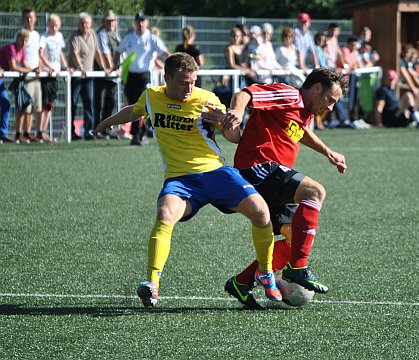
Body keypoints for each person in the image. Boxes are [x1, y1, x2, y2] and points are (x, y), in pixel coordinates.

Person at [95, 52, 281, 308]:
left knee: (261, 211)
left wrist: (226, 123)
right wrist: (107, 123)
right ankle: (152, 283)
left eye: (193, 81)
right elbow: (134, 111)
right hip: (180, 179)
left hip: (216, 173)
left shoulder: (206, 100)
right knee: (165, 213)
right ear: (167, 78)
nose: (189, 87)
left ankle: (265, 271)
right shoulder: (151, 96)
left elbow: (235, 137)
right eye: (183, 82)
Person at [203, 68, 348, 309]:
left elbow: (299, 132)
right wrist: (237, 111)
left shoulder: (304, 111)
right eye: (330, 100)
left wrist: (328, 152)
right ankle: (298, 267)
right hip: (258, 167)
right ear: (316, 89)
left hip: (272, 175)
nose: (330, 108)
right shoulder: (289, 95)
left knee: (296, 237)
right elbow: (245, 93)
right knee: (315, 192)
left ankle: (242, 282)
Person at [114, 13, 171, 145]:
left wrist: (175, 66)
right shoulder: (129, 38)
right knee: (132, 104)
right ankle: (140, 132)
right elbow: (118, 51)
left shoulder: (152, 39)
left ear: (147, 23)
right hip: (130, 76)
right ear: (135, 23)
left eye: (143, 21)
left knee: (138, 104)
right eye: (138, 21)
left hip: (144, 75)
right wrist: (115, 66)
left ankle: (137, 134)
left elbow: (166, 53)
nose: (140, 24)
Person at [68, 12, 109, 141]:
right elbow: (74, 53)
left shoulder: (93, 35)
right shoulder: (74, 36)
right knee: (72, 104)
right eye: (82, 23)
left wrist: (103, 68)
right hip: (77, 76)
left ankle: (89, 131)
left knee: (89, 104)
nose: (85, 25)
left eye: (87, 23)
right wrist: (81, 68)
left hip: (89, 76)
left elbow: (97, 52)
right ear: (78, 24)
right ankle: (71, 132)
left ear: (90, 24)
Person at [38, 13, 71, 143]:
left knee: (50, 104)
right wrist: (48, 68)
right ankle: (39, 131)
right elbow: (40, 54)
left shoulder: (59, 37)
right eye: (51, 25)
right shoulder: (43, 37)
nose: (54, 28)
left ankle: (44, 130)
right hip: (46, 75)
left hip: (55, 75)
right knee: (44, 103)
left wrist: (66, 66)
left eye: (56, 26)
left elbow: (60, 53)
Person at [1, 30, 33, 143]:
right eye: (22, 40)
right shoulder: (11, 48)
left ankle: (2, 134)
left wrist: (32, 70)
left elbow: (25, 65)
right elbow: (14, 67)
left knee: (6, 105)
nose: (24, 42)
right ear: (17, 39)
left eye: (26, 40)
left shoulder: (22, 51)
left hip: (0, 79)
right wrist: (28, 70)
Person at [94, 10, 121, 140]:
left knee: (111, 102)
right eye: (109, 21)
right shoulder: (101, 34)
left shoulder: (115, 35)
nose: (111, 23)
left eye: (113, 21)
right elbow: (105, 53)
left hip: (112, 75)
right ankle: (97, 129)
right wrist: (113, 69)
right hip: (102, 74)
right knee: (99, 103)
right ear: (103, 22)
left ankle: (106, 129)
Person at [16, 8, 42, 143]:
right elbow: (18, 55)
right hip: (25, 75)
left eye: (31, 17)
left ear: (35, 18)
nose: (29, 20)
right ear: (23, 19)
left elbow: (38, 54)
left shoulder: (37, 35)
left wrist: (41, 67)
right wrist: (29, 68)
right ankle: (19, 133)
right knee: (24, 106)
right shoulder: (20, 34)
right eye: (27, 17)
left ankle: (28, 132)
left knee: (34, 105)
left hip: (36, 75)